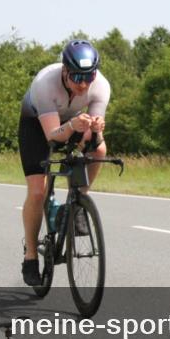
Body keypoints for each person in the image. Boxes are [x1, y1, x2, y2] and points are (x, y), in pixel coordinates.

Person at [18, 40, 111, 286]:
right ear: (64, 71)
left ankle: (78, 202)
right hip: (38, 125)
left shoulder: (101, 86)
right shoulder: (45, 83)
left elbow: (94, 138)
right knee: (37, 192)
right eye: (77, 77)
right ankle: (30, 256)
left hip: (73, 122)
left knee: (99, 149)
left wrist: (96, 129)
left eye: (88, 77)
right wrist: (71, 125)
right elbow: (52, 137)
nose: (83, 84)